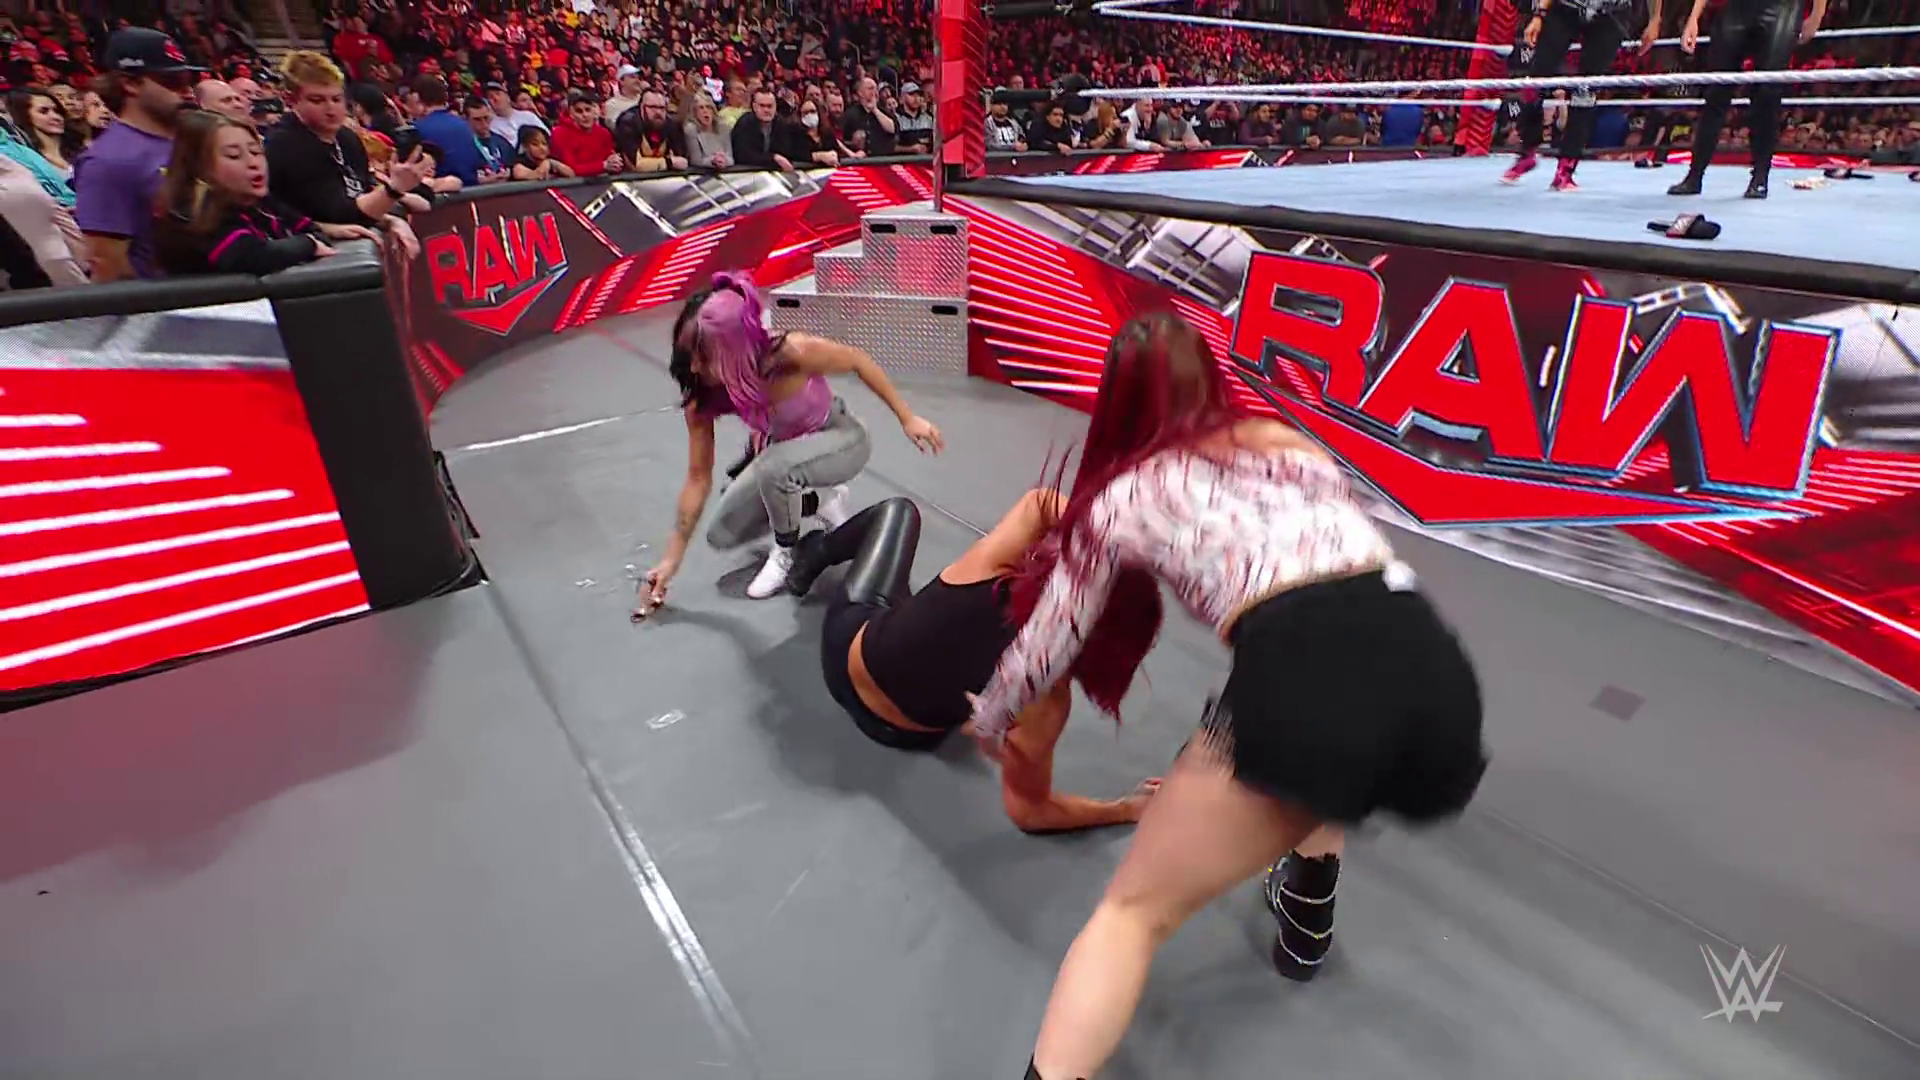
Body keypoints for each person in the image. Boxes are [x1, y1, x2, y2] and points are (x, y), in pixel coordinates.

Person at [967, 313, 1488, 1080]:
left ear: (1115, 403)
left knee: (1129, 917)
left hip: (1306, 677)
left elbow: (1053, 636)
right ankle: (1305, 925)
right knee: (1322, 759)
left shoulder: (1126, 495)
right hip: (1433, 667)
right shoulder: (1288, 443)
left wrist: (992, 711)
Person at [784, 491, 1157, 830]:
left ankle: (812, 554)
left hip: (845, 655)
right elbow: (1031, 812)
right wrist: (1125, 808)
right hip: (904, 732)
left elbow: (1040, 503)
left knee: (898, 512)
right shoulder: (1048, 700)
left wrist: (1107, 541)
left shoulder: (990, 569)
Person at [635, 273, 945, 606]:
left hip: (842, 438)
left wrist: (907, 418)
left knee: (773, 467)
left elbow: (858, 360)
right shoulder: (703, 397)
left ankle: (786, 550)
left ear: (734, 350)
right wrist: (670, 561)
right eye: (690, 355)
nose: (695, 367)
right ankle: (818, 501)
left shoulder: (791, 352)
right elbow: (698, 478)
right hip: (783, 457)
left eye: (705, 356)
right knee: (722, 533)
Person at [154, 110, 375, 276]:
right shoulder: (195, 215)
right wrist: (307, 245)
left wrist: (311, 239)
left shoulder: (259, 201)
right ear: (199, 166)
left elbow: (310, 229)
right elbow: (253, 257)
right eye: (234, 156)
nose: (253, 163)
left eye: (255, 152)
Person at [73, 27, 200, 281]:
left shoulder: (193, 136)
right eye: (172, 82)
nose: (187, 91)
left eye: (189, 81)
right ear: (130, 83)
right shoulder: (108, 160)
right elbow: (108, 264)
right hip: (176, 298)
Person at [1667, 0, 1825, 199]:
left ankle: (1760, 177)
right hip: (1738, 7)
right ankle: (1694, 175)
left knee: (1767, 92)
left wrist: (1817, 14)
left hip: (1783, 7)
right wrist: (1694, 18)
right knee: (1716, 89)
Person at [1502, 0, 1662, 191]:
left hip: (1611, 12)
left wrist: (1655, 20)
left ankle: (1566, 168)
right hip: (1567, 6)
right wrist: (1539, 14)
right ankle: (1527, 150)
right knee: (1535, 82)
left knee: (1585, 89)